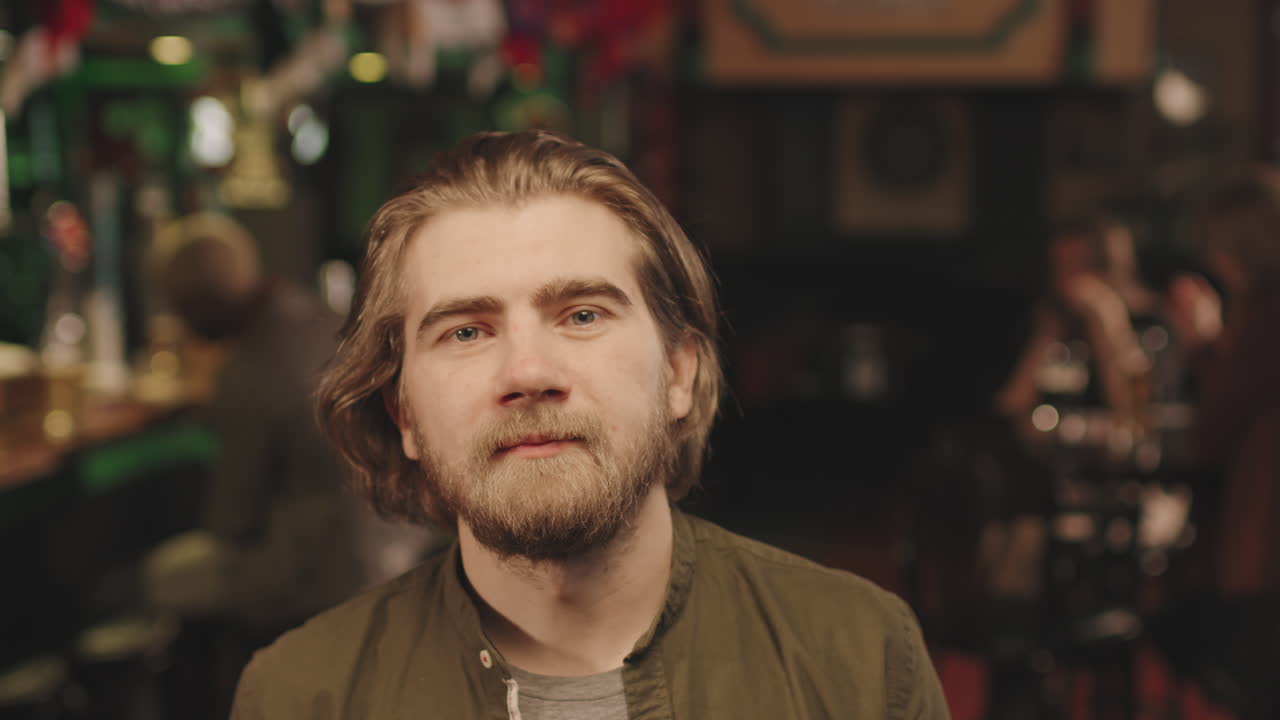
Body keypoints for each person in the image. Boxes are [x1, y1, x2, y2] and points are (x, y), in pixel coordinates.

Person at [229, 131, 949, 719]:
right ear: (405, 414)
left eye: (581, 316)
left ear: (678, 373)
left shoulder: (859, 658)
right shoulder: (301, 696)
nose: (528, 372)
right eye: (467, 332)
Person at [142, 212, 430, 631]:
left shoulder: (247, 372)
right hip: (404, 541)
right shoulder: (330, 320)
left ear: (193, 309)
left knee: (162, 575)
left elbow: (233, 523)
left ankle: (222, 691)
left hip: (328, 573)